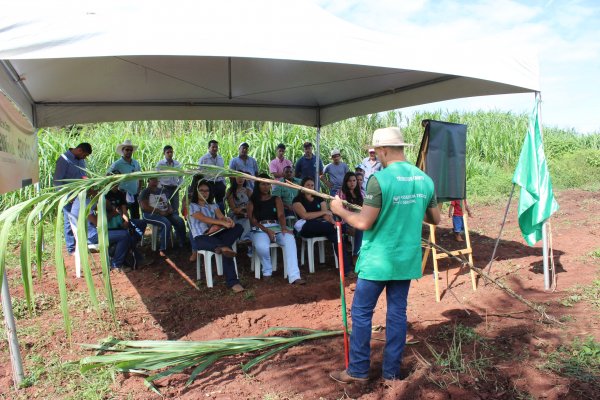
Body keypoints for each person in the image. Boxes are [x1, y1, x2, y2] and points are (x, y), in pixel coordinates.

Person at [329, 127, 440, 383]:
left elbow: (363, 222)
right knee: (397, 314)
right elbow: (435, 218)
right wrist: (412, 207)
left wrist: (340, 209)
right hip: (405, 260)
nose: (376, 155)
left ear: (384, 150)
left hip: (377, 261)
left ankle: (358, 371)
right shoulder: (425, 179)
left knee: (361, 313)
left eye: (377, 151)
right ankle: (391, 373)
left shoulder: (379, 180)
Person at [247, 174, 305, 284]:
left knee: (289, 239)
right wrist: (267, 230)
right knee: (261, 246)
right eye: (263, 184)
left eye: (268, 184)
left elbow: (281, 215)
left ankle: (294, 276)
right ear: (258, 185)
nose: (266, 186)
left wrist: (283, 228)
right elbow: (253, 220)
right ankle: (267, 271)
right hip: (259, 228)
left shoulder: (276, 199)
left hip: (276, 226)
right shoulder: (252, 201)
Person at [188, 180, 245, 293]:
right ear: (196, 192)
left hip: (216, 235)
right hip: (201, 237)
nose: (204, 193)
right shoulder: (192, 206)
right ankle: (233, 282)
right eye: (201, 190)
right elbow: (203, 218)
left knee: (238, 227)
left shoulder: (212, 205)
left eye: (207, 191)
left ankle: (222, 247)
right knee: (226, 247)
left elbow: (221, 217)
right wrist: (219, 223)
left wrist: (227, 220)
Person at [292, 177, 352, 276]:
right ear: (302, 187)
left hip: (323, 225)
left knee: (336, 234)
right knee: (336, 228)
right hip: (307, 226)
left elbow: (326, 215)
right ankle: (344, 228)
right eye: (307, 185)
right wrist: (323, 212)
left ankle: (346, 270)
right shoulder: (297, 200)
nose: (310, 187)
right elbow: (305, 216)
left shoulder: (319, 198)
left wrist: (333, 222)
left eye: (312, 185)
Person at [70, 192, 134, 272]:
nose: (94, 189)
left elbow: (95, 209)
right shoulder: (84, 203)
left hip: (86, 235)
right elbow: (97, 222)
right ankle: (116, 264)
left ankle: (114, 257)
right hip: (91, 237)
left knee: (117, 234)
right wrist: (112, 214)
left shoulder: (79, 200)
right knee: (124, 235)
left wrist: (99, 200)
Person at [53, 142, 92, 255]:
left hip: (80, 195)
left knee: (82, 219)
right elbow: (57, 181)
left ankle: (82, 244)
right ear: (79, 150)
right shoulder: (64, 160)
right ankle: (71, 248)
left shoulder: (81, 160)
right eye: (84, 155)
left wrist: (88, 181)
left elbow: (82, 175)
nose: (84, 158)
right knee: (69, 221)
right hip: (68, 196)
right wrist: (66, 196)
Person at [139, 177, 187, 257]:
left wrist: (170, 209)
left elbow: (167, 202)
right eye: (153, 180)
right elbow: (144, 207)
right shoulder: (145, 192)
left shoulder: (162, 190)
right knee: (166, 223)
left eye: (157, 180)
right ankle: (163, 249)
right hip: (150, 214)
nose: (155, 182)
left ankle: (182, 243)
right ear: (148, 181)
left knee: (180, 220)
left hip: (165, 213)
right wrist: (159, 211)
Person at [105, 173, 148, 248]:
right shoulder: (104, 195)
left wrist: (126, 221)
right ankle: (128, 245)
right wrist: (118, 212)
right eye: (112, 181)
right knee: (126, 235)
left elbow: (124, 211)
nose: (115, 183)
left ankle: (134, 243)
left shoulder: (120, 194)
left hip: (121, 220)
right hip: (110, 224)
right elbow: (110, 213)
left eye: (117, 180)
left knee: (142, 223)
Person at [108, 139, 142, 219]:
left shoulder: (135, 163)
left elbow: (140, 177)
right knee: (123, 217)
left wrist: (138, 190)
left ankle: (134, 227)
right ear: (123, 151)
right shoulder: (117, 164)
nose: (129, 151)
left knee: (136, 216)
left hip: (134, 194)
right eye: (127, 150)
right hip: (122, 194)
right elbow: (108, 175)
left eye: (131, 150)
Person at [337, 172, 364, 263]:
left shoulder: (361, 193)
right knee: (361, 227)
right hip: (346, 221)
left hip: (361, 220)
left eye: (354, 180)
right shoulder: (341, 193)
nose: (352, 183)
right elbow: (339, 211)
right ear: (346, 182)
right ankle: (356, 255)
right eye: (349, 181)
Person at [198, 140, 227, 213]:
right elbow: (199, 173)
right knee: (208, 202)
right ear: (209, 148)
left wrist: (224, 184)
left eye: (216, 147)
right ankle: (210, 217)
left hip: (219, 184)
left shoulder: (220, 159)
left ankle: (222, 217)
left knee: (221, 203)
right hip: (209, 184)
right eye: (213, 147)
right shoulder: (204, 159)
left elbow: (222, 173)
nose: (215, 149)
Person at [156, 145, 183, 214]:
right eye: (167, 152)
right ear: (164, 153)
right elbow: (156, 177)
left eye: (171, 152)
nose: (170, 154)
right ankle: (166, 220)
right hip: (164, 188)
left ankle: (175, 220)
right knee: (164, 207)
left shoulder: (177, 164)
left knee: (175, 208)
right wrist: (159, 187)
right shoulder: (160, 164)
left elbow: (181, 176)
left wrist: (179, 185)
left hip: (174, 188)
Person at [226, 174, 253, 243]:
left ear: (245, 179)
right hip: (235, 214)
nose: (240, 179)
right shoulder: (230, 191)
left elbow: (253, 204)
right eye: (238, 177)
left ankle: (248, 241)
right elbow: (234, 209)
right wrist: (243, 210)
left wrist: (246, 211)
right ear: (234, 178)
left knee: (251, 218)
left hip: (247, 212)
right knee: (246, 220)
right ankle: (243, 240)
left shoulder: (248, 190)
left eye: (242, 177)